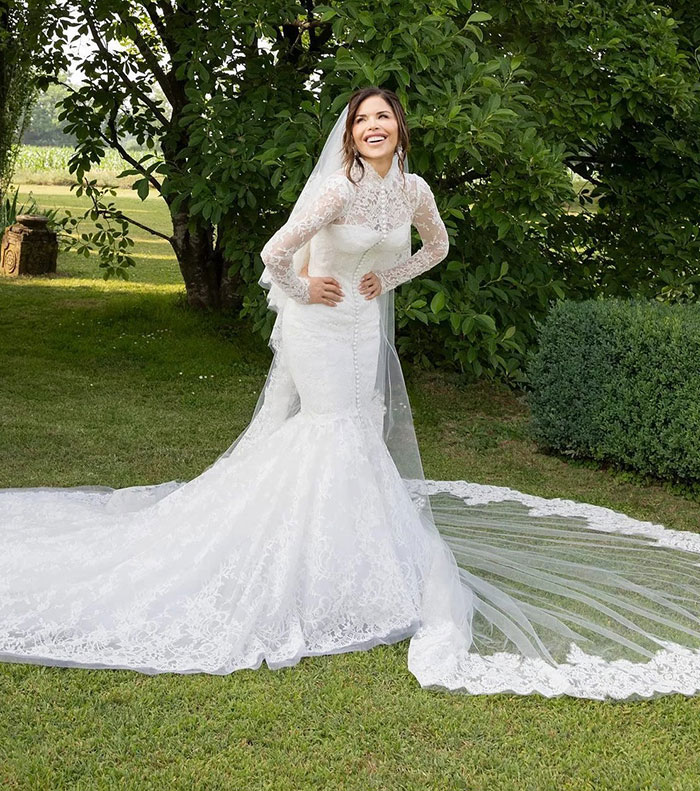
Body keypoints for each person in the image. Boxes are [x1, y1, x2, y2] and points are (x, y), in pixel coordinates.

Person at [1, 87, 700, 701]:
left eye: (384, 117)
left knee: (355, 432)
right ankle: (303, 565)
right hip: (317, 323)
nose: (374, 126)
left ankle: (356, 567)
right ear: (351, 132)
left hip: (361, 321)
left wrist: (386, 280)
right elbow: (276, 253)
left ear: (398, 127)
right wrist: (308, 289)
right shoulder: (335, 189)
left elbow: (437, 247)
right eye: (364, 118)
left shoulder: (415, 189)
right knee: (331, 430)